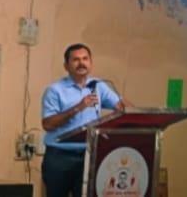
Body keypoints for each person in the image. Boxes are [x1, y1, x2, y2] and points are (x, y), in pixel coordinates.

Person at [41, 44, 129, 197]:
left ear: (91, 63)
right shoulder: (55, 90)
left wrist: (137, 113)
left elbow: (122, 108)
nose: (81, 63)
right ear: (66, 66)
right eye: (76, 60)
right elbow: (48, 124)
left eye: (85, 59)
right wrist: (78, 108)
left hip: (88, 156)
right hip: (59, 158)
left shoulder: (98, 86)